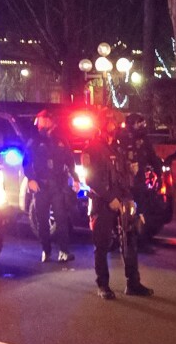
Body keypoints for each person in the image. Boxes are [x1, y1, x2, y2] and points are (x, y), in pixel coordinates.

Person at [81, 109, 153, 300]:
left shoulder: (118, 148)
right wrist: (109, 198)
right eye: (111, 122)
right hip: (102, 202)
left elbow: (123, 177)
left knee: (130, 242)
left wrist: (129, 194)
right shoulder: (92, 149)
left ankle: (133, 283)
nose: (115, 126)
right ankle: (103, 285)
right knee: (102, 245)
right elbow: (90, 179)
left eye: (115, 122)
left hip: (123, 201)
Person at [23, 109, 79, 263]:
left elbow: (70, 161)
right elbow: (26, 161)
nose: (39, 123)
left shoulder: (61, 139)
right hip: (41, 185)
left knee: (61, 219)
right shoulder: (34, 139)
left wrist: (75, 179)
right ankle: (46, 251)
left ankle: (64, 251)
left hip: (58, 186)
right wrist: (31, 179)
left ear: (49, 120)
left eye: (41, 120)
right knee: (42, 220)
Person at [119, 113, 164, 250]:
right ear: (131, 124)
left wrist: (160, 174)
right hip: (124, 183)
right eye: (139, 123)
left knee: (142, 212)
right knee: (125, 214)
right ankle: (124, 241)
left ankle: (141, 241)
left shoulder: (144, 140)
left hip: (139, 182)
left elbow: (152, 157)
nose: (142, 126)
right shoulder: (122, 138)